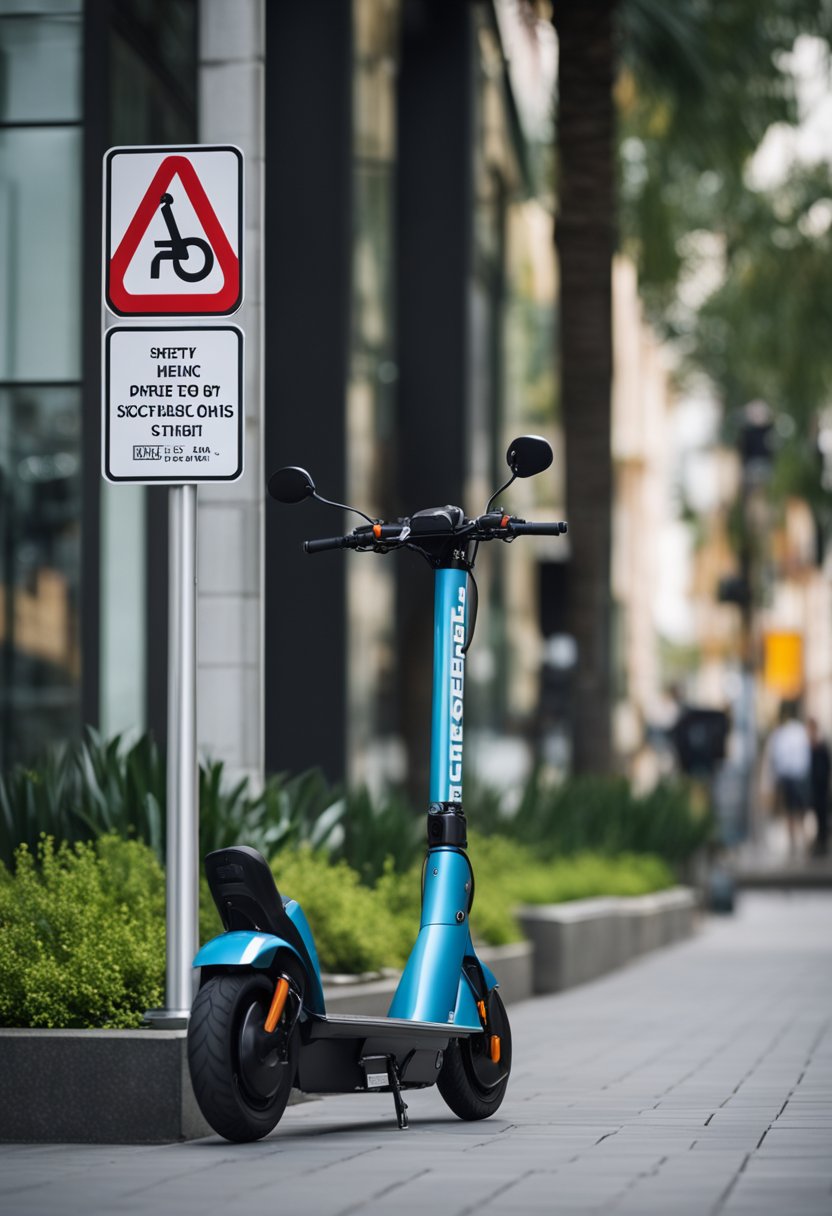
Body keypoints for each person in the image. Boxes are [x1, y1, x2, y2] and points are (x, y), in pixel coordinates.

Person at [768, 702, 811, 857]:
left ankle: (794, 842)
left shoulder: (782, 733)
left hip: (787, 777)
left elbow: (777, 758)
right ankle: (803, 840)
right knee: (801, 810)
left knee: (790, 811)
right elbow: (806, 756)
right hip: (799, 776)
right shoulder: (800, 732)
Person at [808, 718, 830, 857]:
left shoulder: (822, 746)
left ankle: (823, 840)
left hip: (822, 787)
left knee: (822, 814)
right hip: (813, 786)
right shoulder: (808, 747)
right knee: (816, 814)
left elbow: (828, 765)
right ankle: (819, 840)